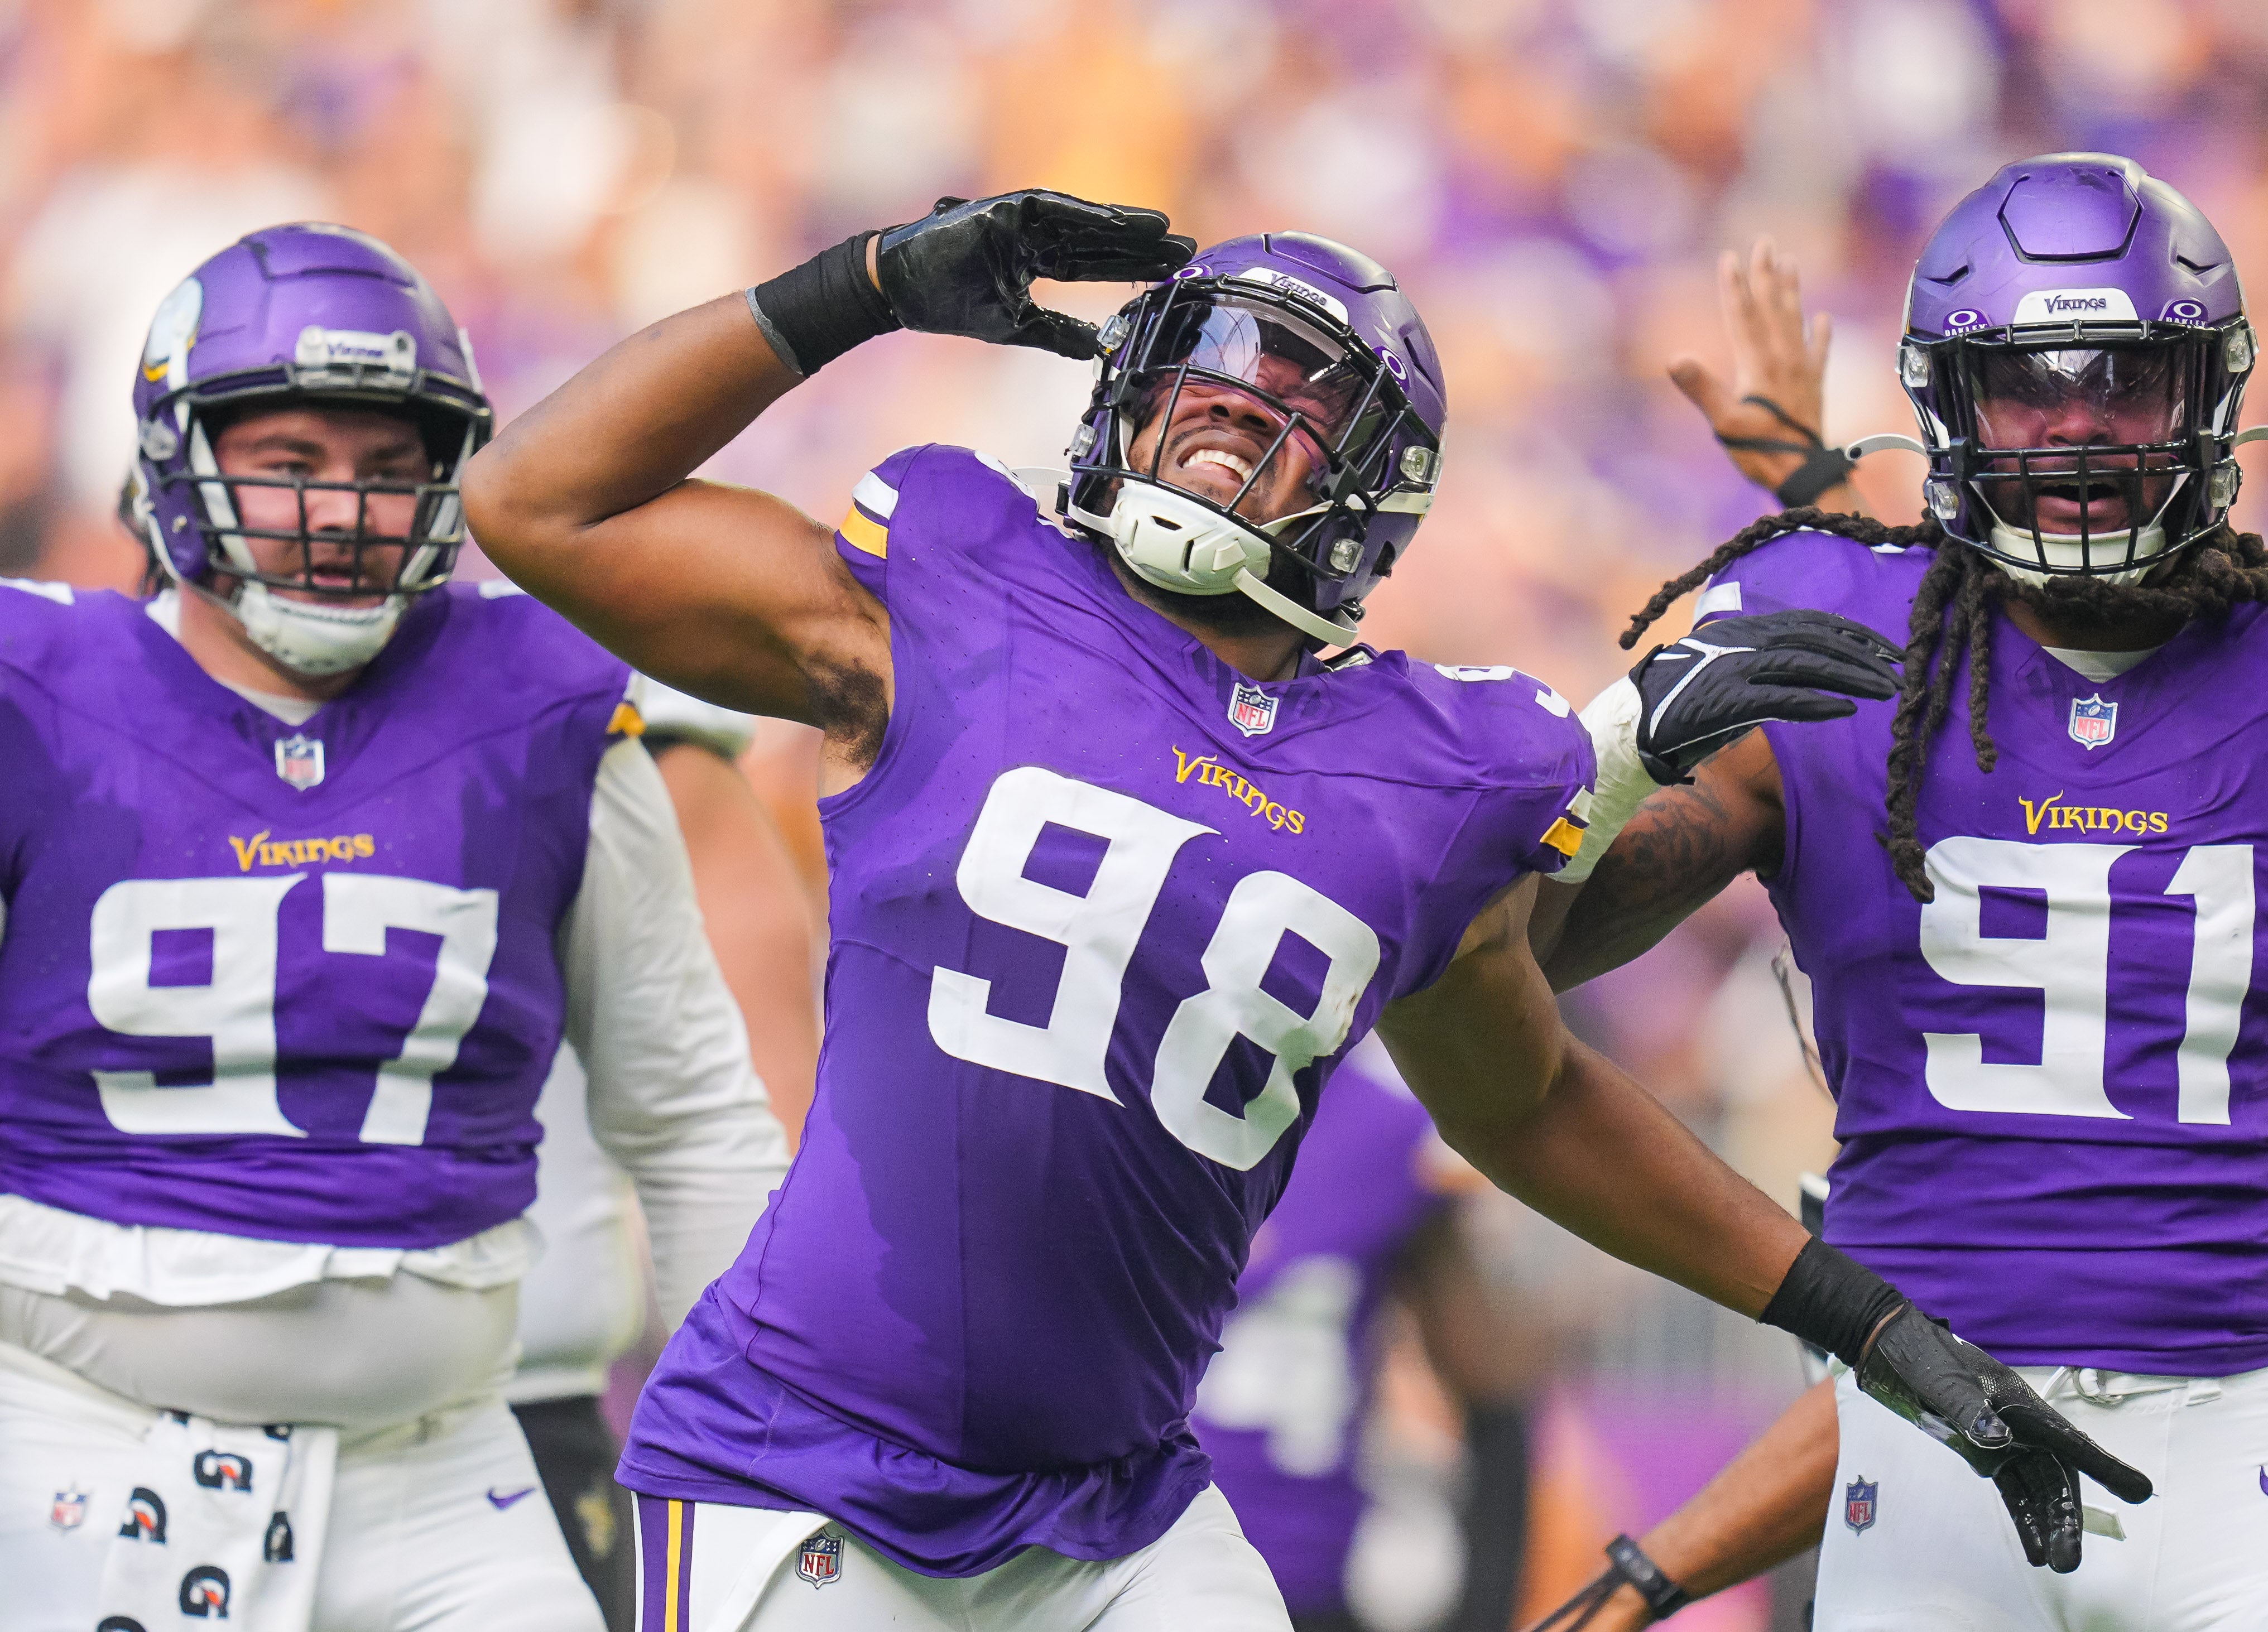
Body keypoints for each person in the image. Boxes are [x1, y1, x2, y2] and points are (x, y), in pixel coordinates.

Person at [461, 188, 2145, 1632]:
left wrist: (1871, 1325)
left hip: (1112, 1517)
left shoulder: (1428, 767)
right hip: (798, 1455)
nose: (1228, 409)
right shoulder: (959, 584)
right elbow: (536, 499)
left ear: (1374, 493)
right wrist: (870, 288)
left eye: (1293, 397)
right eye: (1201, 369)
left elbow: (1535, 1100)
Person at [1542, 153, 2268, 1629]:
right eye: (2029, 385)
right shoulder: (1821, 634)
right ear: (1949, 408)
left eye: (2126, 379)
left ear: (2207, 396)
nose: (2077, 425)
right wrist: (1623, 746)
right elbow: (1534, 942)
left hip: (2249, 1442)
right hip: (1922, 1440)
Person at [0, 223, 791, 1632]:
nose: (342, 515)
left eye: (384, 470)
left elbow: (688, 1118)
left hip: (441, 1464)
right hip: (68, 1432)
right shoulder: (36, 689)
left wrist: (765, 1444)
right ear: (178, 456)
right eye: (293, 465)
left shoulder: (542, 700)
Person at [508, 677, 818, 1631]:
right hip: (116, 1397)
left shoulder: (611, 715)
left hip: (520, 1415)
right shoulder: (82, 687)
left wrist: (769, 1461)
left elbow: (754, 1131)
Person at [1193, 1035, 1544, 1632]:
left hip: (1292, 1575)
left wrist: (1485, 1609)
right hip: (1107, 1558)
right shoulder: (1095, 1081)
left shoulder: (1387, 1123)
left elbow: (1487, 1381)